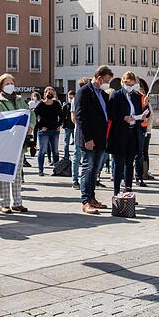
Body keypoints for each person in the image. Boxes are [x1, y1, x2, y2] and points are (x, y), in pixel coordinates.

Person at [0, 74, 36, 213]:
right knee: (4, 174)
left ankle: (17, 202)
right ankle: (4, 203)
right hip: (5, 143)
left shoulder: (20, 99)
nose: (10, 85)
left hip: (20, 142)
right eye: (7, 83)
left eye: (12, 82)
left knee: (17, 175)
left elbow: (30, 113)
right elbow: (1, 118)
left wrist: (31, 125)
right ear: (1, 86)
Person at [75, 66, 113, 214]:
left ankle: (92, 198)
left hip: (101, 137)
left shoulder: (103, 94)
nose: (107, 83)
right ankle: (85, 201)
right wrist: (88, 138)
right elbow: (80, 117)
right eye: (106, 80)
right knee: (87, 168)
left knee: (95, 170)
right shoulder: (84, 92)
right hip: (89, 138)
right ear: (98, 77)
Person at [106, 72, 143, 196]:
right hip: (119, 134)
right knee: (119, 163)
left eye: (132, 84)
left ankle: (128, 190)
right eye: (128, 84)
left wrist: (142, 114)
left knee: (129, 162)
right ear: (123, 82)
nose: (130, 86)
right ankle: (116, 192)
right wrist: (123, 117)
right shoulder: (116, 95)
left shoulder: (136, 96)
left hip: (133, 132)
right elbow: (110, 114)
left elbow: (140, 111)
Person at [33, 87, 62, 176]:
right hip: (44, 132)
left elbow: (61, 115)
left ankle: (56, 170)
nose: (50, 94)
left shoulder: (56, 104)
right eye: (48, 93)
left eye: (52, 93)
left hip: (54, 131)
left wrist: (59, 125)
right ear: (45, 94)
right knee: (42, 151)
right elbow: (34, 116)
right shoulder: (41, 105)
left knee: (55, 151)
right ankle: (41, 171)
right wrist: (40, 127)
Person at [71, 78, 90, 190]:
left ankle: (84, 180)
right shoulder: (77, 98)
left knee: (83, 157)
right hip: (79, 130)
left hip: (83, 130)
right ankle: (75, 180)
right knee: (78, 156)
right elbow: (74, 117)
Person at [62, 90, 76, 161]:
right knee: (66, 142)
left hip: (75, 126)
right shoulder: (66, 105)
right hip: (67, 126)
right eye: (69, 97)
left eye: (71, 97)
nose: (70, 99)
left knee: (76, 143)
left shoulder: (76, 104)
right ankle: (66, 156)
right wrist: (63, 125)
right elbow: (63, 116)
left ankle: (76, 157)